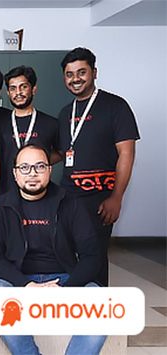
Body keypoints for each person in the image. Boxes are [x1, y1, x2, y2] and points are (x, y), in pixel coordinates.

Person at [0, 143, 106, 355]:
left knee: (100, 301)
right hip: (17, 280)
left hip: (63, 279)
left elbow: (92, 255)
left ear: (50, 170)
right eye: (25, 167)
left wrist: (65, 290)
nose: (32, 173)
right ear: (15, 174)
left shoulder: (70, 203)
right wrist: (26, 285)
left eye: (40, 167)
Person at [58, 47, 140, 286]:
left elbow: (127, 153)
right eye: (70, 74)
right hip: (68, 197)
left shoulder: (115, 106)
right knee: (66, 255)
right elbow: (64, 152)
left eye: (81, 72)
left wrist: (116, 197)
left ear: (94, 72)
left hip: (99, 198)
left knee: (93, 256)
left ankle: (96, 307)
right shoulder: (65, 113)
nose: (75, 79)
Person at [0, 66, 59, 194]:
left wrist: (36, 164)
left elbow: (60, 152)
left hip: (38, 190)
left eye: (23, 87)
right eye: (13, 88)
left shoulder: (50, 123)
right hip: (5, 192)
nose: (18, 92)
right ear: (8, 93)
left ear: (33, 89)